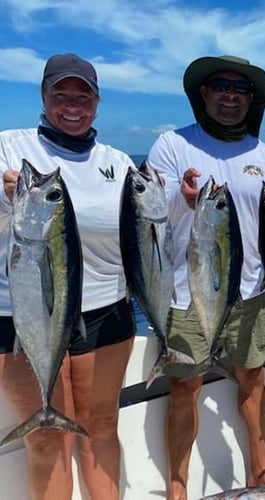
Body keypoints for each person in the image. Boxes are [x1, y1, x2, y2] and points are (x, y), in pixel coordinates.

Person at [146, 55, 265, 500]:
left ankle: (261, 471)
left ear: (251, 99)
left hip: (253, 291)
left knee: (254, 380)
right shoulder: (172, 145)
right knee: (184, 387)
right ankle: (177, 487)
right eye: (221, 85)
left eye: (240, 88)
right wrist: (182, 197)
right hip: (189, 292)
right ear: (204, 93)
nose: (231, 94)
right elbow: (151, 215)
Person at [0, 53, 136, 500]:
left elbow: (151, 231)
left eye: (83, 96)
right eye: (61, 94)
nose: (72, 105)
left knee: (101, 427)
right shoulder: (8, 146)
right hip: (21, 315)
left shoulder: (117, 161)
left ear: (97, 102)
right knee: (45, 436)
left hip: (105, 311)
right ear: (43, 96)